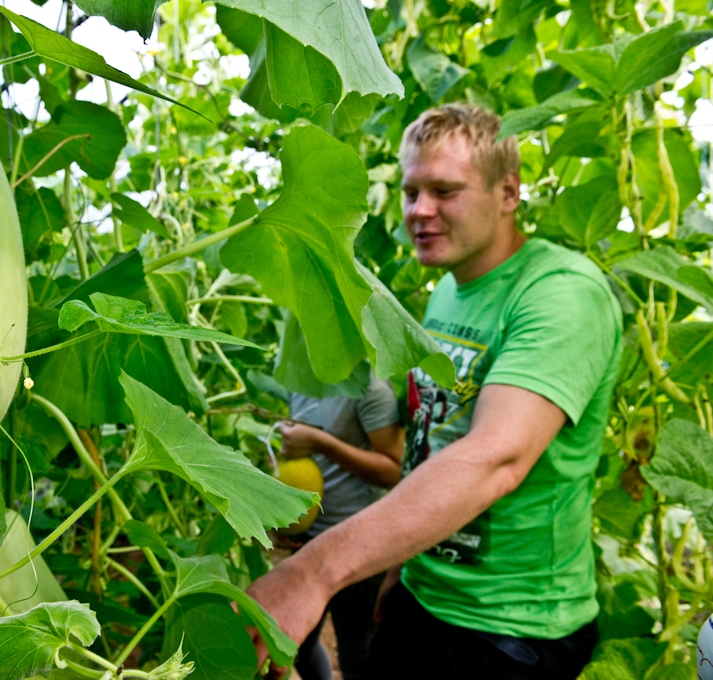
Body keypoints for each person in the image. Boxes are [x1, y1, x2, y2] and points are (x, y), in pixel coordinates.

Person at [247, 103, 623, 679]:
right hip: (421, 594)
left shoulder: (561, 293)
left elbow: (494, 458)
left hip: (508, 628)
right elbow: (434, 440)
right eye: (410, 191)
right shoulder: (450, 288)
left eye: (445, 191)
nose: (420, 211)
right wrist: (401, 567)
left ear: (508, 193)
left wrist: (311, 572)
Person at [280, 374, 405, 680]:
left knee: (357, 652)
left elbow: (394, 468)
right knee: (296, 644)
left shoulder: (370, 388)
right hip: (310, 535)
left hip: (359, 539)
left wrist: (322, 444)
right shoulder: (299, 376)